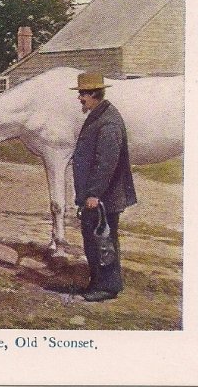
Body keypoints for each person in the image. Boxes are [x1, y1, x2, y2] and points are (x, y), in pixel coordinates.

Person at [70, 72, 137, 302]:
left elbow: (105, 163)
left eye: (82, 94)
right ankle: (98, 283)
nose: (80, 98)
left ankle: (107, 287)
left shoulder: (108, 122)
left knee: (103, 240)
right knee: (95, 239)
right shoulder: (99, 115)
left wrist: (94, 194)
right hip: (97, 196)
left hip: (102, 197)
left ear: (94, 94)